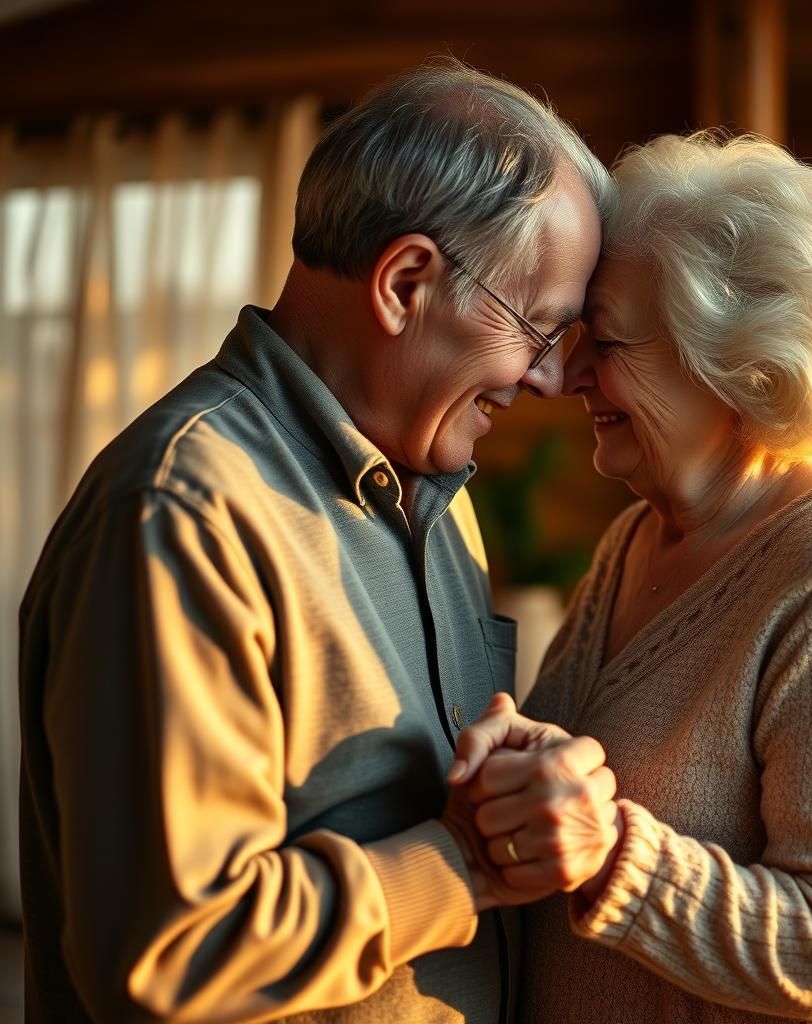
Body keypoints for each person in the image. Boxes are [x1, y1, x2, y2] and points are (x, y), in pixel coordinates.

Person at [18, 61, 620, 1023]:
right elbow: (171, 961)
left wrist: (518, 789)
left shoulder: (438, 494)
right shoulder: (181, 514)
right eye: (537, 331)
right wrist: (462, 863)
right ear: (407, 281)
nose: (548, 381)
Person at [454, 132, 812, 1023]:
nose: (563, 372)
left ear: (737, 364)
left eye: (604, 340)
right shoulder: (635, 540)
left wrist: (611, 853)